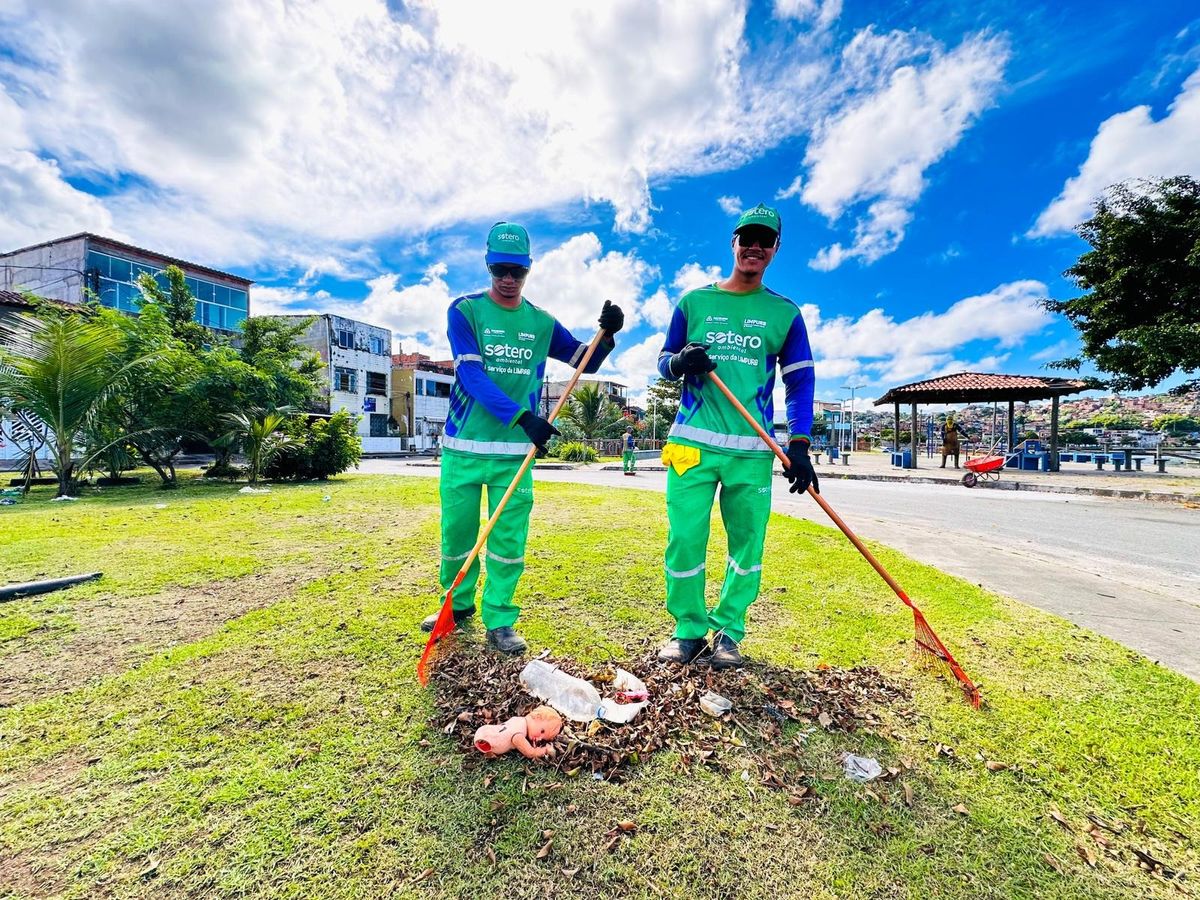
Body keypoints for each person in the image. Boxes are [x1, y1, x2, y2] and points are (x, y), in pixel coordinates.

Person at [420, 222, 624, 654]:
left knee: (508, 540)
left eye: (517, 270)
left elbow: (582, 362)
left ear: (529, 269)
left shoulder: (541, 322)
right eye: (500, 269)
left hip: (516, 454)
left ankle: (500, 617)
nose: (508, 279)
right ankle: (455, 606)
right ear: (488, 265)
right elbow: (470, 374)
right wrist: (522, 417)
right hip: (463, 448)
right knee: (457, 535)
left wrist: (607, 336)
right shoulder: (465, 310)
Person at [654, 203, 817, 669]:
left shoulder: (785, 314)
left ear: (775, 249)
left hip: (752, 452)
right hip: (691, 445)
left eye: (764, 240)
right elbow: (664, 364)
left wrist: (799, 444)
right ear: (734, 242)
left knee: (747, 544)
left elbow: (800, 382)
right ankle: (687, 630)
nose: (754, 246)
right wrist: (681, 362)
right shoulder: (694, 302)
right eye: (747, 237)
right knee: (685, 539)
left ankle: (728, 631)